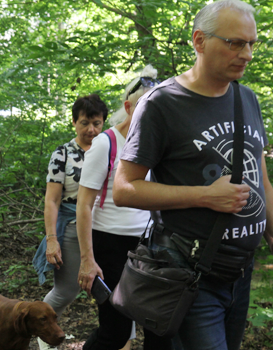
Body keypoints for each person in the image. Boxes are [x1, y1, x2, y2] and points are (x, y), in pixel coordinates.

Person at [114, 1, 273, 349]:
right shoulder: (161, 103)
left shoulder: (247, 98)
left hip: (241, 273)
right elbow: (124, 190)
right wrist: (204, 196)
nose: (246, 54)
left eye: (251, 44)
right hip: (192, 276)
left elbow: (261, 178)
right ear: (199, 41)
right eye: (235, 43)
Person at [75, 66, 171, 350]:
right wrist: (87, 260)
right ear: (129, 106)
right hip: (110, 245)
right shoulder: (106, 143)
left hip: (153, 245)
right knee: (116, 331)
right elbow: (83, 205)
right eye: (145, 106)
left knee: (160, 330)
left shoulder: (163, 144)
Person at [31, 94, 107, 350]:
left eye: (97, 123)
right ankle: (42, 339)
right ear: (74, 122)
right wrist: (52, 239)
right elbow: (52, 201)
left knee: (119, 291)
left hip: (108, 228)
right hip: (72, 228)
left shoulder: (111, 149)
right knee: (65, 291)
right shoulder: (63, 154)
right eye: (85, 122)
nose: (91, 130)